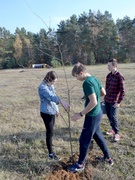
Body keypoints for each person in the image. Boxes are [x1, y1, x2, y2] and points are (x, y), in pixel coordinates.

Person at [67, 63, 113, 173]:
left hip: (92, 116)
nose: (77, 79)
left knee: (84, 140)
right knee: (98, 137)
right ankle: (108, 158)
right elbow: (103, 92)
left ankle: (80, 164)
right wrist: (90, 95)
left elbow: (94, 102)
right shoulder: (94, 78)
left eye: (76, 76)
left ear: (81, 73)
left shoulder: (87, 83)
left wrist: (80, 114)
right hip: (98, 113)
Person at [38, 71, 69, 160]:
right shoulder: (42, 87)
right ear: (49, 79)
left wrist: (57, 110)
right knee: (50, 132)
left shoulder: (50, 85)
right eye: (54, 81)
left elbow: (54, 95)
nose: (54, 83)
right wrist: (61, 102)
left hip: (52, 111)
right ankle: (51, 153)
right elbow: (51, 97)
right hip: (46, 112)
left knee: (51, 132)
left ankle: (50, 146)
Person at [104, 58, 125, 142]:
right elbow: (107, 88)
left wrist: (118, 102)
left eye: (109, 65)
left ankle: (117, 133)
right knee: (109, 116)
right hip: (107, 100)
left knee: (113, 116)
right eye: (107, 65)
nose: (107, 67)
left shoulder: (119, 77)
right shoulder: (108, 76)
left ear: (114, 66)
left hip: (114, 101)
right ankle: (113, 129)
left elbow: (122, 91)